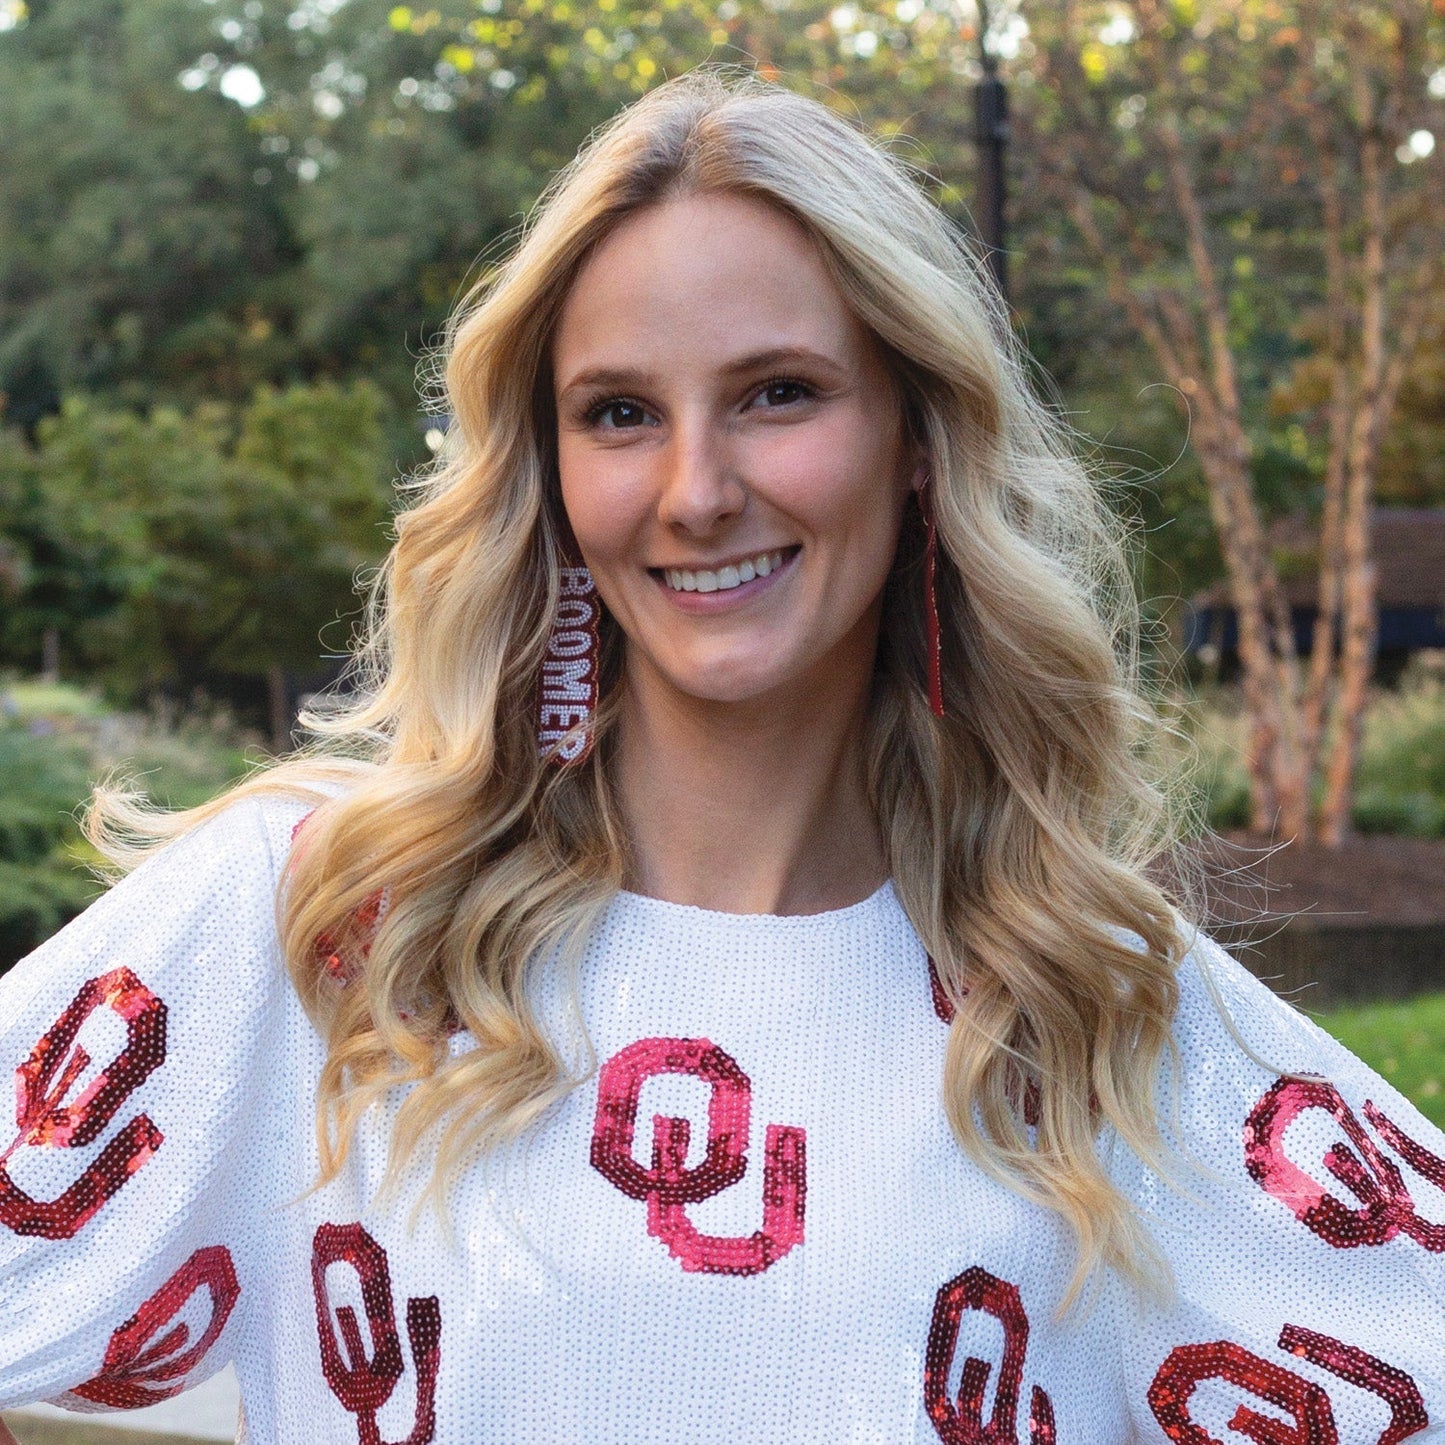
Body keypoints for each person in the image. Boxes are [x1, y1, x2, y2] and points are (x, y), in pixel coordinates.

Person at [1, 69, 1442, 1444]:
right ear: (553, 474)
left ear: (915, 436)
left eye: (776, 393)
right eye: (619, 413)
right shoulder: (334, 924)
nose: (695, 490)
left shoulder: (1082, 996)